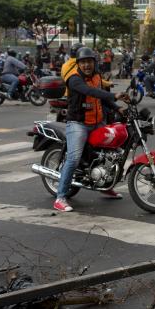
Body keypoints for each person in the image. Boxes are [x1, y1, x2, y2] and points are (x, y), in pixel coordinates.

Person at [53, 47, 127, 212]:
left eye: (89, 62)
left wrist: (117, 108)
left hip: (97, 122)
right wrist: (113, 95)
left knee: (110, 153)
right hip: (78, 123)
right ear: (78, 63)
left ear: (94, 63)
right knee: (73, 158)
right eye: (83, 62)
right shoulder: (74, 79)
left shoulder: (97, 76)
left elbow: (100, 96)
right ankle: (61, 197)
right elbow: (90, 91)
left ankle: (105, 186)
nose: (87, 65)